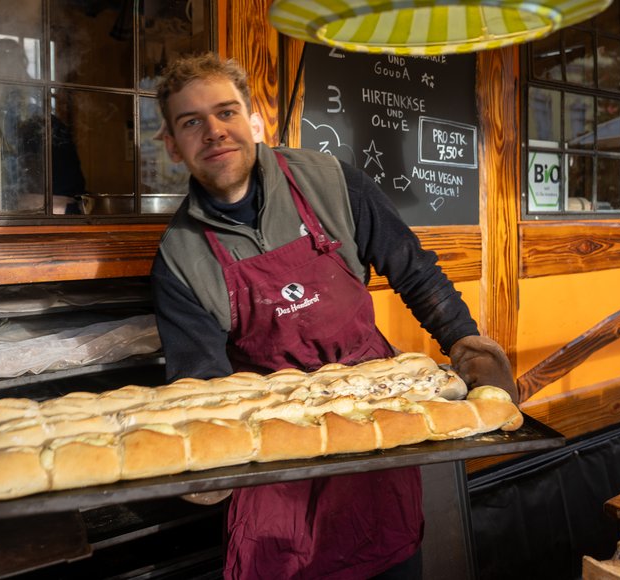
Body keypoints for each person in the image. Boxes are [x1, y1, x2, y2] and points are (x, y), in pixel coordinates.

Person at [150, 52, 517, 580]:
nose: (214, 131)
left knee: (389, 559)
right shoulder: (181, 257)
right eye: (191, 122)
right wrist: (206, 454)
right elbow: (202, 382)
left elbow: (414, 271)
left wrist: (466, 344)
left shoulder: (328, 181)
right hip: (278, 447)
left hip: (374, 424)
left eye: (226, 112)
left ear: (255, 121)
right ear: (171, 144)